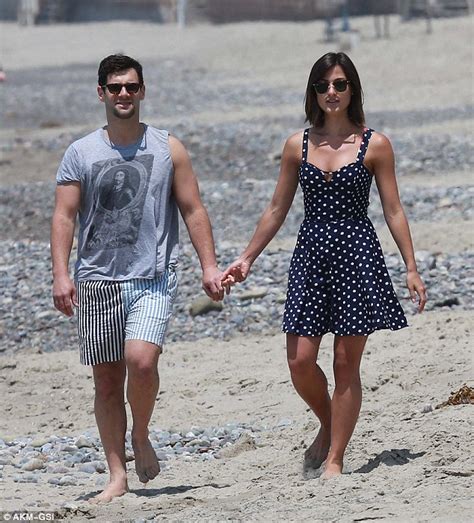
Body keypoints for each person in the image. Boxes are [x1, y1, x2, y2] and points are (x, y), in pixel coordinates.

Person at [222, 52, 427, 479]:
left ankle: (335, 458)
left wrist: (410, 265)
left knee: (344, 364)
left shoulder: (376, 144)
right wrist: (246, 258)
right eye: (322, 86)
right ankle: (330, 420)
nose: (330, 93)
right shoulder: (298, 144)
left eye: (338, 84)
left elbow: (393, 210)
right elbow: (277, 209)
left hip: (357, 255)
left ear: (352, 89)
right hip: (311, 255)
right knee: (299, 360)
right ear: (312, 93)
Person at [51, 54, 228, 502]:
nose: (124, 94)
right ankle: (117, 475)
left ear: (143, 91)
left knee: (142, 363)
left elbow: (192, 208)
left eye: (131, 86)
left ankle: (142, 433)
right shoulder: (81, 152)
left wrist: (209, 265)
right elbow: (64, 216)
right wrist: (60, 275)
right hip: (96, 281)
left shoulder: (168, 148)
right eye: (115, 88)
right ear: (101, 94)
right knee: (107, 382)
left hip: (151, 276)